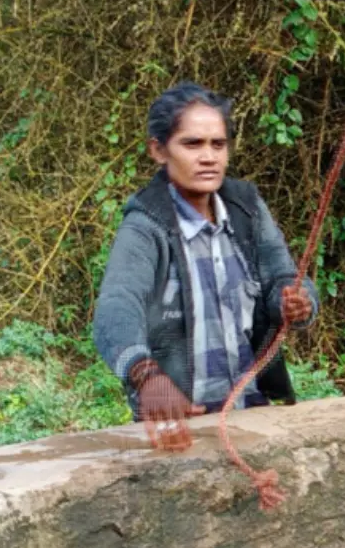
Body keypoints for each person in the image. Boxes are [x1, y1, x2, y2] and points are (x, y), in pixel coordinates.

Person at [93, 82, 318, 452]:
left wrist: (295, 301)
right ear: (158, 150)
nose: (209, 157)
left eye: (218, 144)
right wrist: (145, 375)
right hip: (184, 423)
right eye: (192, 144)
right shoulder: (146, 226)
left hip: (254, 413)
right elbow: (117, 307)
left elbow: (283, 276)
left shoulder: (247, 208)